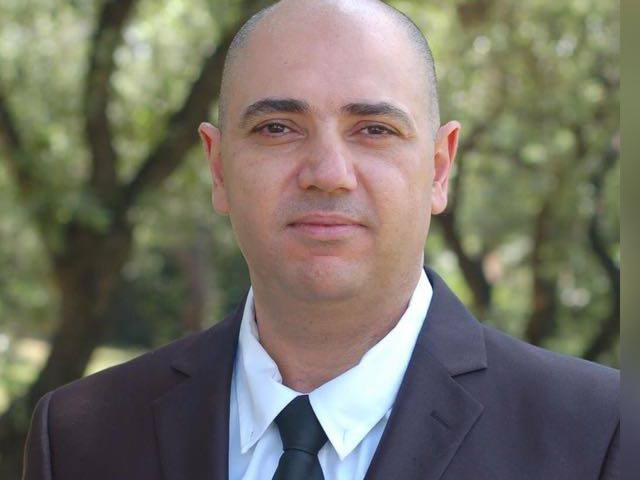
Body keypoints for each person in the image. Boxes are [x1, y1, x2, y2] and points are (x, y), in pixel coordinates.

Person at [22, 0, 619, 479]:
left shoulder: (603, 435)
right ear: (219, 168)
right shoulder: (78, 438)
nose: (328, 173)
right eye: (277, 128)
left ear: (439, 169)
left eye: (374, 129)